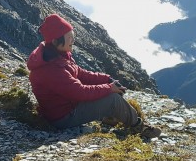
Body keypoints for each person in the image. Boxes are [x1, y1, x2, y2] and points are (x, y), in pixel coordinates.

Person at [26, 13, 161, 138]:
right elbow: (79, 92)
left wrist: (107, 79)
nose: (73, 40)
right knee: (113, 99)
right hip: (63, 117)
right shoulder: (50, 69)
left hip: (69, 105)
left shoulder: (57, 55)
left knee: (111, 90)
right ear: (56, 42)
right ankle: (139, 127)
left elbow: (80, 73)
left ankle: (110, 117)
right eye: (69, 38)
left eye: (73, 36)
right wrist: (109, 88)